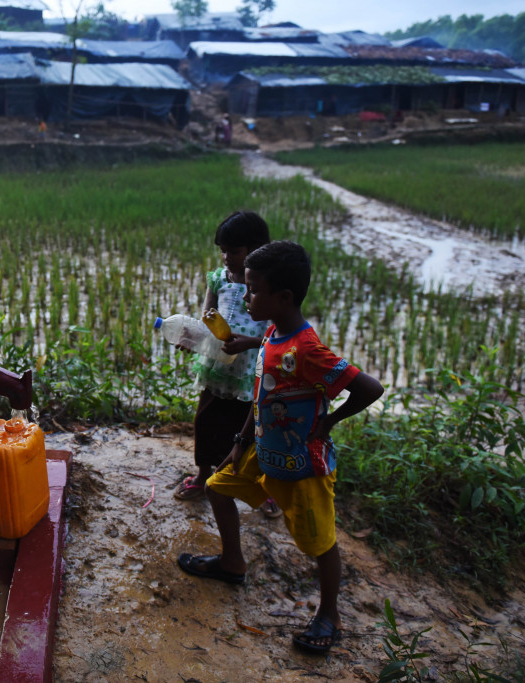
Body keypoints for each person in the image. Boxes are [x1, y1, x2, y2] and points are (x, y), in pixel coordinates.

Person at [176, 240, 384, 655]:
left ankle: (329, 614)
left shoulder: (307, 349)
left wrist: (329, 421)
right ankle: (232, 563)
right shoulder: (273, 332)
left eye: (253, 290)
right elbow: (261, 393)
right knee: (217, 488)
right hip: (260, 449)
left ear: (284, 297)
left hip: (302, 465)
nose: (245, 297)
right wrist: (241, 440)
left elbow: (370, 389)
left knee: (319, 542)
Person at [174, 212, 279, 519]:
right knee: (206, 422)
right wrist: (192, 339)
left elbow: (279, 337)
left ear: (255, 249)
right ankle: (203, 475)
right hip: (218, 369)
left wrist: (249, 342)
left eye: (234, 251)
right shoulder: (219, 279)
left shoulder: (268, 285)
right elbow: (206, 320)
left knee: (252, 433)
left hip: (251, 374)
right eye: (223, 250)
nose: (226, 257)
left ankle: (261, 487)